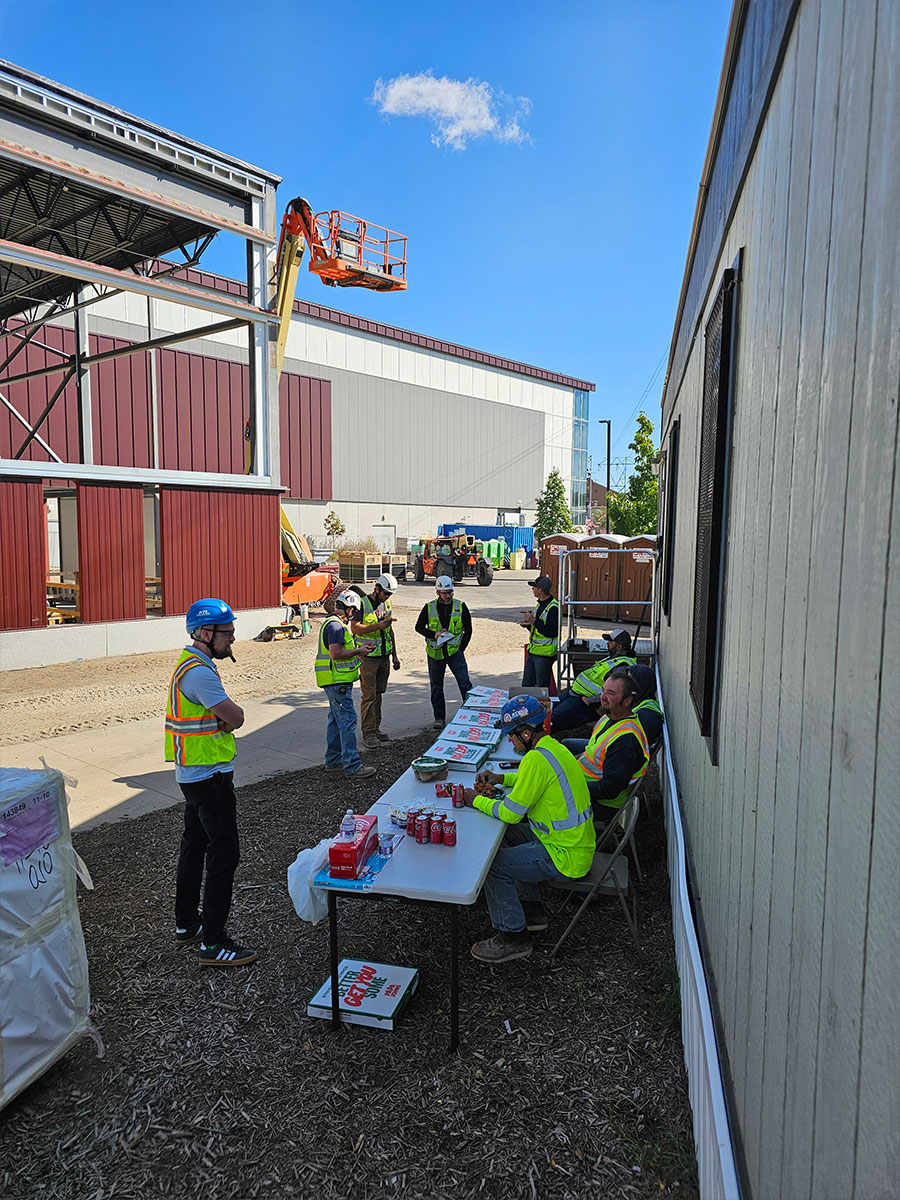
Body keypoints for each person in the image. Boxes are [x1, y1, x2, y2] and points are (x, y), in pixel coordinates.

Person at [463, 695, 595, 963]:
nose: (510, 741)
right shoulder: (552, 748)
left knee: (494, 866)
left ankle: (513, 937)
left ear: (525, 733)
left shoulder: (536, 759)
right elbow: (531, 780)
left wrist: (474, 800)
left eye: (511, 736)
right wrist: (501, 778)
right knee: (507, 837)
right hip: (569, 843)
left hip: (564, 855)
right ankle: (532, 911)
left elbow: (511, 813)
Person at [165, 597, 256, 967]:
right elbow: (236, 717)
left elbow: (225, 718)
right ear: (205, 633)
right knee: (224, 854)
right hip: (210, 778)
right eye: (227, 632)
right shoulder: (200, 673)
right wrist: (230, 718)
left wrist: (226, 719)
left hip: (196, 775)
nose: (232, 638)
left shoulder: (192, 664)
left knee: (194, 845)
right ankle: (214, 943)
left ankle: (187, 924)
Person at [561, 670, 650, 820]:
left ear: (627, 700)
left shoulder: (625, 741)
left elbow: (609, 789)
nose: (603, 697)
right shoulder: (607, 718)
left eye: (610, 693)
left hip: (601, 805)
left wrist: (569, 789)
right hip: (582, 784)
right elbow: (590, 753)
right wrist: (565, 765)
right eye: (603, 690)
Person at [315, 590, 376, 779]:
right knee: (347, 722)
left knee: (335, 721)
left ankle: (333, 761)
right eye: (354, 611)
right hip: (337, 681)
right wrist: (359, 650)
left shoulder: (332, 624)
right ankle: (352, 765)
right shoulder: (336, 627)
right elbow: (336, 654)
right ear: (349, 609)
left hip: (335, 680)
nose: (354, 615)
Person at [550, 628, 637, 735]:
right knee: (547, 707)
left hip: (585, 702)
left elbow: (615, 692)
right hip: (574, 693)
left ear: (619, 647)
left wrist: (589, 700)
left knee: (552, 720)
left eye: (610, 642)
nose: (607, 644)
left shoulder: (622, 665)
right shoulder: (615, 658)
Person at [350, 573, 401, 750]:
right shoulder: (362, 604)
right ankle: (368, 733)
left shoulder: (386, 604)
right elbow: (355, 628)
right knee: (369, 696)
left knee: (378, 694)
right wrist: (376, 626)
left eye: (390, 595)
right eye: (386, 593)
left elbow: (390, 630)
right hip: (368, 659)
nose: (388, 597)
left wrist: (394, 655)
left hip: (383, 657)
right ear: (377, 589)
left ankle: (375, 728)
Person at [415, 575, 473, 729]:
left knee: (465, 684)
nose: (448, 596)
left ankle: (471, 713)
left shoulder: (461, 606)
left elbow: (468, 629)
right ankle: (439, 718)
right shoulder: (429, 607)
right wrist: (433, 634)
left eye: (450, 592)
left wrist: (461, 648)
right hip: (435, 653)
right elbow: (419, 627)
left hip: (455, 653)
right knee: (436, 687)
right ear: (438, 592)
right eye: (445, 593)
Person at [607, 662, 663, 753]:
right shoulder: (637, 702)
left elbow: (629, 750)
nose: (626, 685)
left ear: (641, 685)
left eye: (630, 681)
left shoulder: (648, 715)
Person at [519, 576, 559, 688]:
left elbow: (552, 632)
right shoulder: (541, 604)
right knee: (527, 685)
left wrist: (533, 621)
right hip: (534, 651)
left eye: (534, 587)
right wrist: (528, 624)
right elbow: (538, 628)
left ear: (540, 590)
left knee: (542, 689)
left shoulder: (553, 607)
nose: (532, 589)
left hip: (544, 654)